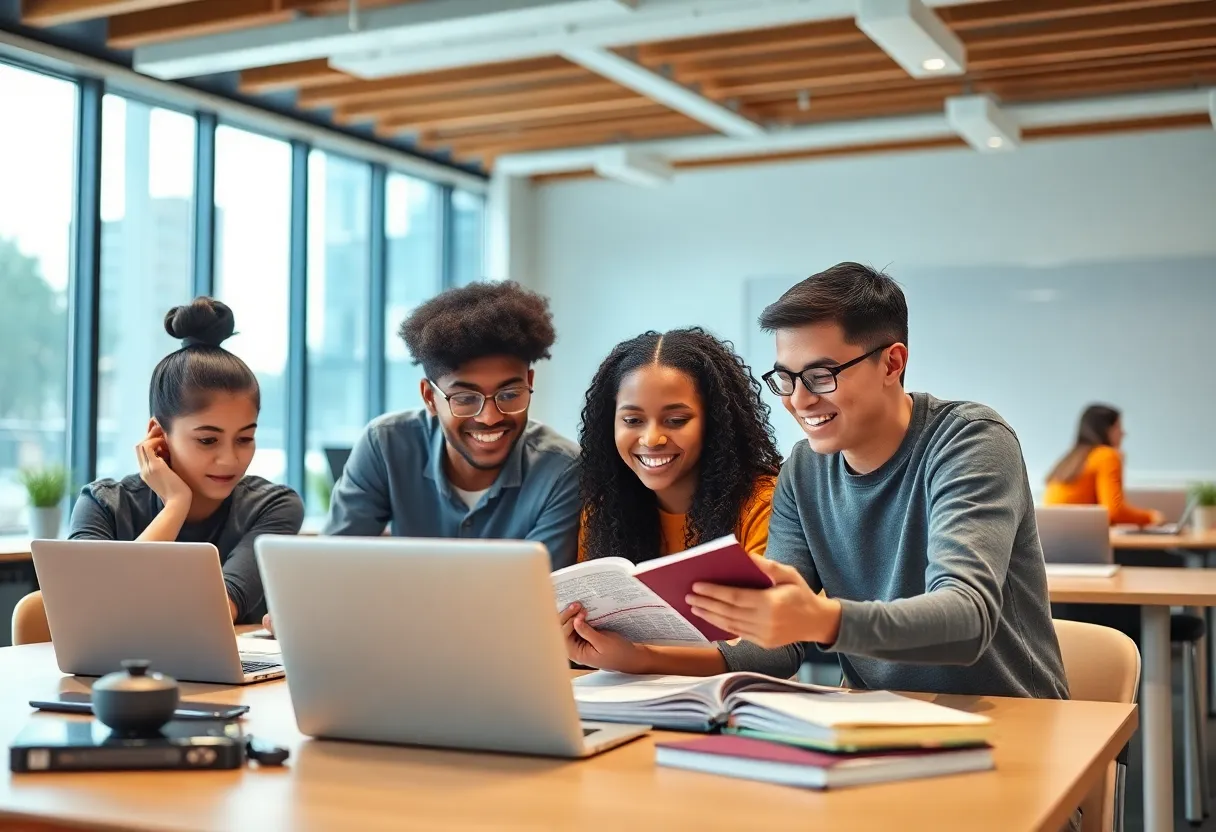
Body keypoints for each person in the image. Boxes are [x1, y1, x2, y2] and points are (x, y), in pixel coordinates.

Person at [562, 262, 1070, 702]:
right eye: (785, 378)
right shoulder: (804, 470)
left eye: (822, 375)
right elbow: (778, 649)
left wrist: (821, 619)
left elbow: (967, 622)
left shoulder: (969, 441)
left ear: (892, 363)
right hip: (878, 731)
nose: (799, 401)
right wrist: (640, 656)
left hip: (1015, 725)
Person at [68, 297, 304, 625]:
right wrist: (176, 505)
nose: (229, 459)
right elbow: (92, 613)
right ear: (158, 434)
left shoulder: (273, 507)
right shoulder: (103, 505)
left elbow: (215, 611)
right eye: (207, 440)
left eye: (245, 438)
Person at [322, 279, 580, 562]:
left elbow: (546, 593)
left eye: (509, 394)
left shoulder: (562, 470)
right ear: (430, 398)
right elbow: (331, 564)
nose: (490, 417)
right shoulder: (386, 445)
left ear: (529, 382)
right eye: (465, 398)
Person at [574, 327, 781, 565]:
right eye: (632, 421)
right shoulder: (603, 512)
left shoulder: (763, 505)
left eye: (676, 421)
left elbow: (769, 599)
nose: (651, 439)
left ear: (715, 421)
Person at [1043, 404, 1164, 527]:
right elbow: (1115, 512)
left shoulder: (1070, 459)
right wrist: (1151, 517)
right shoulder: (1107, 455)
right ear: (1106, 430)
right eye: (1118, 427)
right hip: (1079, 538)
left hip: (1053, 538)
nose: (1123, 433)